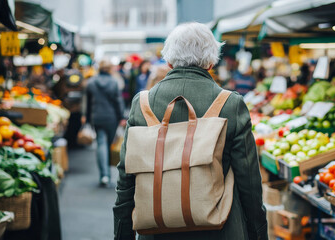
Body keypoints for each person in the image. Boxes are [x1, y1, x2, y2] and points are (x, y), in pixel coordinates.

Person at [113, 22, 267, 240]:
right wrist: (258, 232)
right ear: (211, 62)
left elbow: (126, 180)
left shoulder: (143, 104)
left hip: (156, 228)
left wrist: (122, 235)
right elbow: (249, 181)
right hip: (219, 229)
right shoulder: (230, 104)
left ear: (168, 61)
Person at [82, 60, 125, 186]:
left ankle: (104, 175)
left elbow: (87, 103)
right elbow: (118, 101)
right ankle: (108, 173)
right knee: (109, 143)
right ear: (110, 69)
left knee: (101, 142)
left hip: (97, 116)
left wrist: (86, 117)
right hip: (112, 117)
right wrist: (121, 116)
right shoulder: (114, 82)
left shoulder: (91, 82)